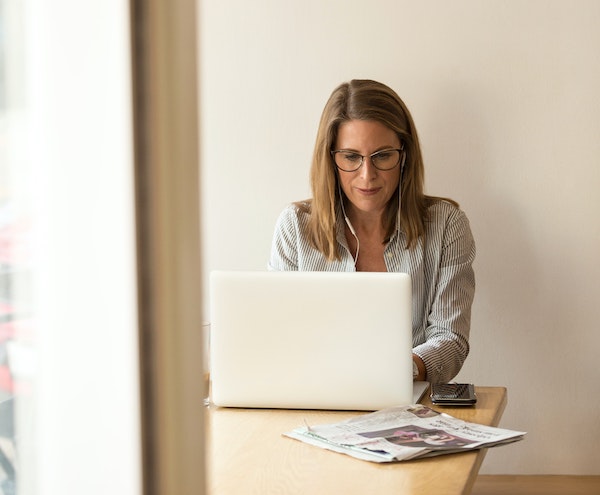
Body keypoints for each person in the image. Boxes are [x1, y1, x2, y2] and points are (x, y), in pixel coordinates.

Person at [268, 79, 475, 384]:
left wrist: (397, 371)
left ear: (404, 155)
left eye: (382, 156)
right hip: (314, 399)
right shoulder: (295, 226)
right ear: (331, 159)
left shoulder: (446, 225)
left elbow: (451, 339)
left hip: (409, 404)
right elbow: (279, 337)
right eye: (351, 157)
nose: (367, 175)